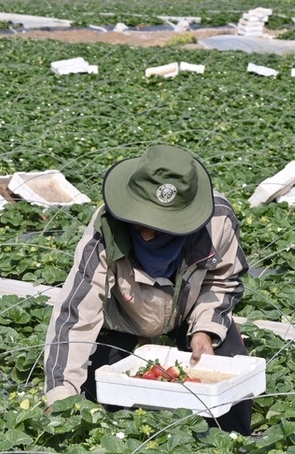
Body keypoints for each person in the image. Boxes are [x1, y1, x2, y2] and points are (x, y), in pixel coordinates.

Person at [43, 144, 252, 435]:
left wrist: (205, 328)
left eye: (163, 227)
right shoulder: (107, 230)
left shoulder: (217, 221)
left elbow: (223, 280)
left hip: (188, 312)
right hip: (122, 320)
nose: (148, 234)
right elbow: (76, 312)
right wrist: (60, 396)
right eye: (140, 221)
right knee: (99, 402)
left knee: (230, 396)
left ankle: (230, 444)